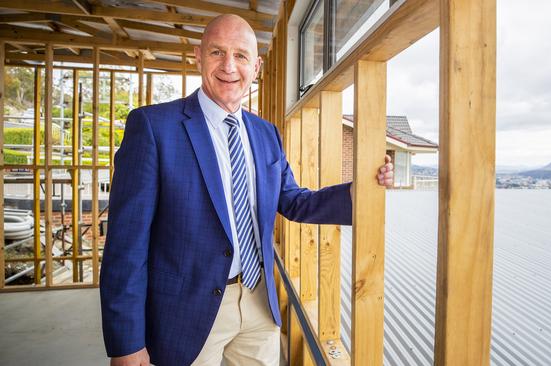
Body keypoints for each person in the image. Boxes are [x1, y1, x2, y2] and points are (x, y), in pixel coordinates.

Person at [100, 14, 393, 366]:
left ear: (256, 66)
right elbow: (125, 246)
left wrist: (360, 191)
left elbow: (294, 201)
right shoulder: (152, 126)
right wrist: (126, 344)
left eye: (240, 56)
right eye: (217, 53)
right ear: (197, 55)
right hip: (184, 310)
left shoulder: (265, 133)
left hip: (258, 301)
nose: (228, 66)